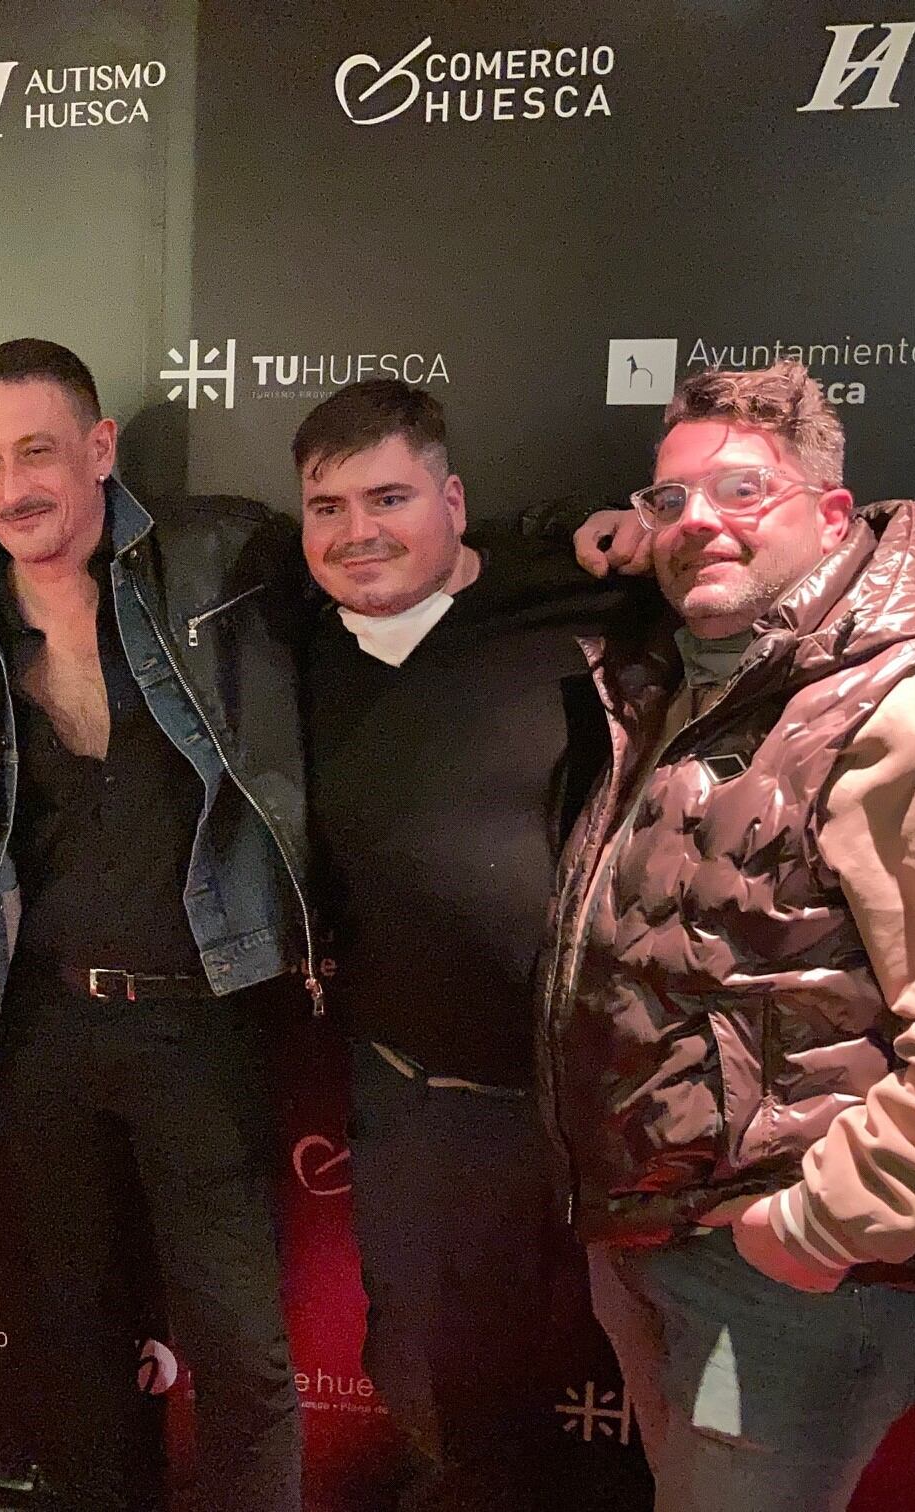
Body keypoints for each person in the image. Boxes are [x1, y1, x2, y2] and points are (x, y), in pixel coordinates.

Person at [542, 360, 915, 1510]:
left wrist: (820, 1224)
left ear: (834, 514)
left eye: (744, 490)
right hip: (661, 1236)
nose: (701, 520)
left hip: (790, 1280)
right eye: (673, 499)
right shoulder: (705, 682)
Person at [0, 338, 314, 1511]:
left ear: (101, 449)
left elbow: (398, 564)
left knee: (241, 1352)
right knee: (72, 1340)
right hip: (46, 1028)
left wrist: (576, 537)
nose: (13, 488)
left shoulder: (223, 557)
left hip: (202, 1018)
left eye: (38, 451)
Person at [295, 379, 628, 1511]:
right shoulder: (297, 638)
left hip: (593, 1092)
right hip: (414, 1098)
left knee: (640, 1380)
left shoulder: (572, 599)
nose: (357, 532)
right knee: (429, 1382)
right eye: (327, 507)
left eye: (389, 498)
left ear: (453, 502)